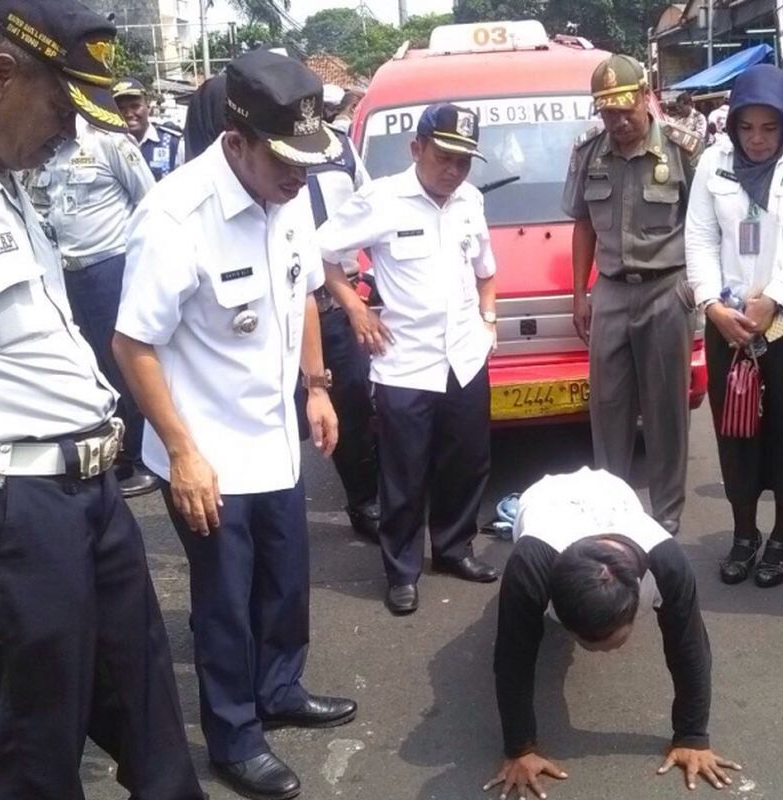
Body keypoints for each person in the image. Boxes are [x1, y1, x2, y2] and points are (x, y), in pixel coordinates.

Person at [0, 1, 205, 797]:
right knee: (33, 757)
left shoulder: (10, 185)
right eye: (64, 108)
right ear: (1, 77)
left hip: (90, 494)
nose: (72, 133)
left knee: (154, 727)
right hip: (10, 508)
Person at [113, 49, 357, 800]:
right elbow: (133, 343)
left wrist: (316, 388)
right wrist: (183, 453)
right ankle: (234, 734)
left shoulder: (288, 193)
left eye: (308, 162)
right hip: (206, 446)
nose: (300, 178)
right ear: (235, 140)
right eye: (286, 161)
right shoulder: (175, 217)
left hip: (274, 438)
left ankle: (279, 689)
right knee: (225, 599)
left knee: (285, 582)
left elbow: (307, 292)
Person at [317, 103, 501, 615]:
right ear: (416, 148)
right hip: (405, 362)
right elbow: (324, 253)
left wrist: (487, 319)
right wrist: (354, 307)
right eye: (444, 157)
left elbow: (487, 268)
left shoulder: (469, 201)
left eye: (464, 162)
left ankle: (453, 548)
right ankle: (402, 570)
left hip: (464, 355)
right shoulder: (381, 200)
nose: (454, 171)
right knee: (403, 472)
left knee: (467, 462)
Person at [486, 468, 741, 800]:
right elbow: (512, 657)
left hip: (611, 490)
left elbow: (689, 647)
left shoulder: (669, 565)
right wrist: (519, 749)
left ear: (636, 598)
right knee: (521, 622)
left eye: (610, 640)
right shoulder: (529, 565)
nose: (602, 652)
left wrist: (692, 736)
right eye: (586, 641)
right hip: (542, 498)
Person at [685, 64, 783, 588]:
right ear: (732, 126)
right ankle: (744, 533)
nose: (756, 139)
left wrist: (774, 298)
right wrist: (711, 304)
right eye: (746, 127)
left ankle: (782, 536)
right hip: (730, 325)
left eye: (769, 128)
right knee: (737, 431)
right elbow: (700, 240)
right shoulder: (712, 163)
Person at [563, 54, 703, 536]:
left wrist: (698, 288)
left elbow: (704, 225)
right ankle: (612, 509)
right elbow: (582, 225)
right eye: (608, 113)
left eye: (625, 110)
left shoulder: (685, 150)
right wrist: (580, 294)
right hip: (611, 294)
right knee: (608, 408)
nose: (618, 122)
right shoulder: (589, 152)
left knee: (666, 410)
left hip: (668, 290)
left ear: (646, 97)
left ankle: (666, 513)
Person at [26, 113, 159, 498]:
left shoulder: (108, 141)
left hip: (110, 268)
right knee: (91, 365)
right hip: (65, 271)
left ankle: (143, 459)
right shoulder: (45, 148)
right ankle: (117, 452)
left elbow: (148, 201)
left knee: (125, 362)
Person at [307, 83, 380, 539]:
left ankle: (365, 501)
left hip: (336, 302)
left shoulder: (343, 148)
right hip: (279, 307)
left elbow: (371, 208)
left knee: (353, 404)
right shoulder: (258, 151)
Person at [112, 76, 184, 181]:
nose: (128, 114)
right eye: (121, 108)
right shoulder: (109, 146)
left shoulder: (173, 144)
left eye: (135, 106)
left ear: (148, 105)